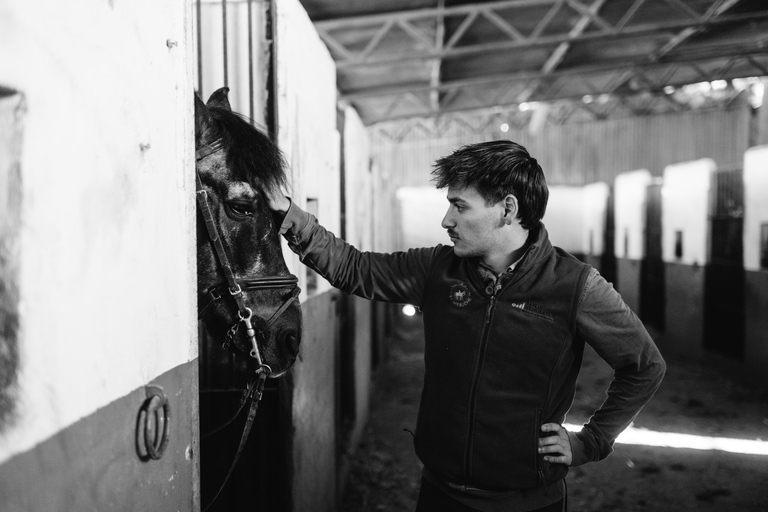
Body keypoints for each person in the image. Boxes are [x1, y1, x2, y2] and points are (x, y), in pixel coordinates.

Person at [262, 140, 666, 512]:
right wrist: (289, 215)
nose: (446, 219)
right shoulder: (437, 269)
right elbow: (355, 268)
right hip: (440, 494)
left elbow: (645, 365)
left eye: (460, 206)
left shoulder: (575, 285)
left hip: (528, 504)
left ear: (507, 209)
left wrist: (591, 441)